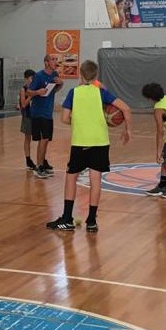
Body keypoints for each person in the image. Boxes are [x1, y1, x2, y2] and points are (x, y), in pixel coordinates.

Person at [46, 60, 131, 232]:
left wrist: (79, 121)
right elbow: (126, 109)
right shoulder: (102, 92)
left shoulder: (74, 92)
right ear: (96, 75)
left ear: (80, 74)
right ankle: (91, 221)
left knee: (71, 178)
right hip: (100, 142)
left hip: (81, 142)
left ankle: (67, 219)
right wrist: (128, 129)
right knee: (95, 180)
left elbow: (64, 118)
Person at [26, 55, 63, 179]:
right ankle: (39, 166)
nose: (55, 62)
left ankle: (42, 164)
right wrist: (37, 92)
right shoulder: (39, 76)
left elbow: (54, 91)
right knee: (43, 139)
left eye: (56, 60)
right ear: (46, 63)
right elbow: (28, 92)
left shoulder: (54, 75)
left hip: (48, 112)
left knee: (46, 140)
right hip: (38, 112)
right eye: (53, 60)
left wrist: (61, 84)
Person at [18, 69, 36, 170]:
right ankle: (28, 159)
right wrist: (31, 96)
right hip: (27, 116)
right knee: (28, 138)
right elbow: (23, 104)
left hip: (36, 115)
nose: (33, 80)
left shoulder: (35, 88)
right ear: (26, 79)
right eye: (31, 78)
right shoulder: (23, 89)